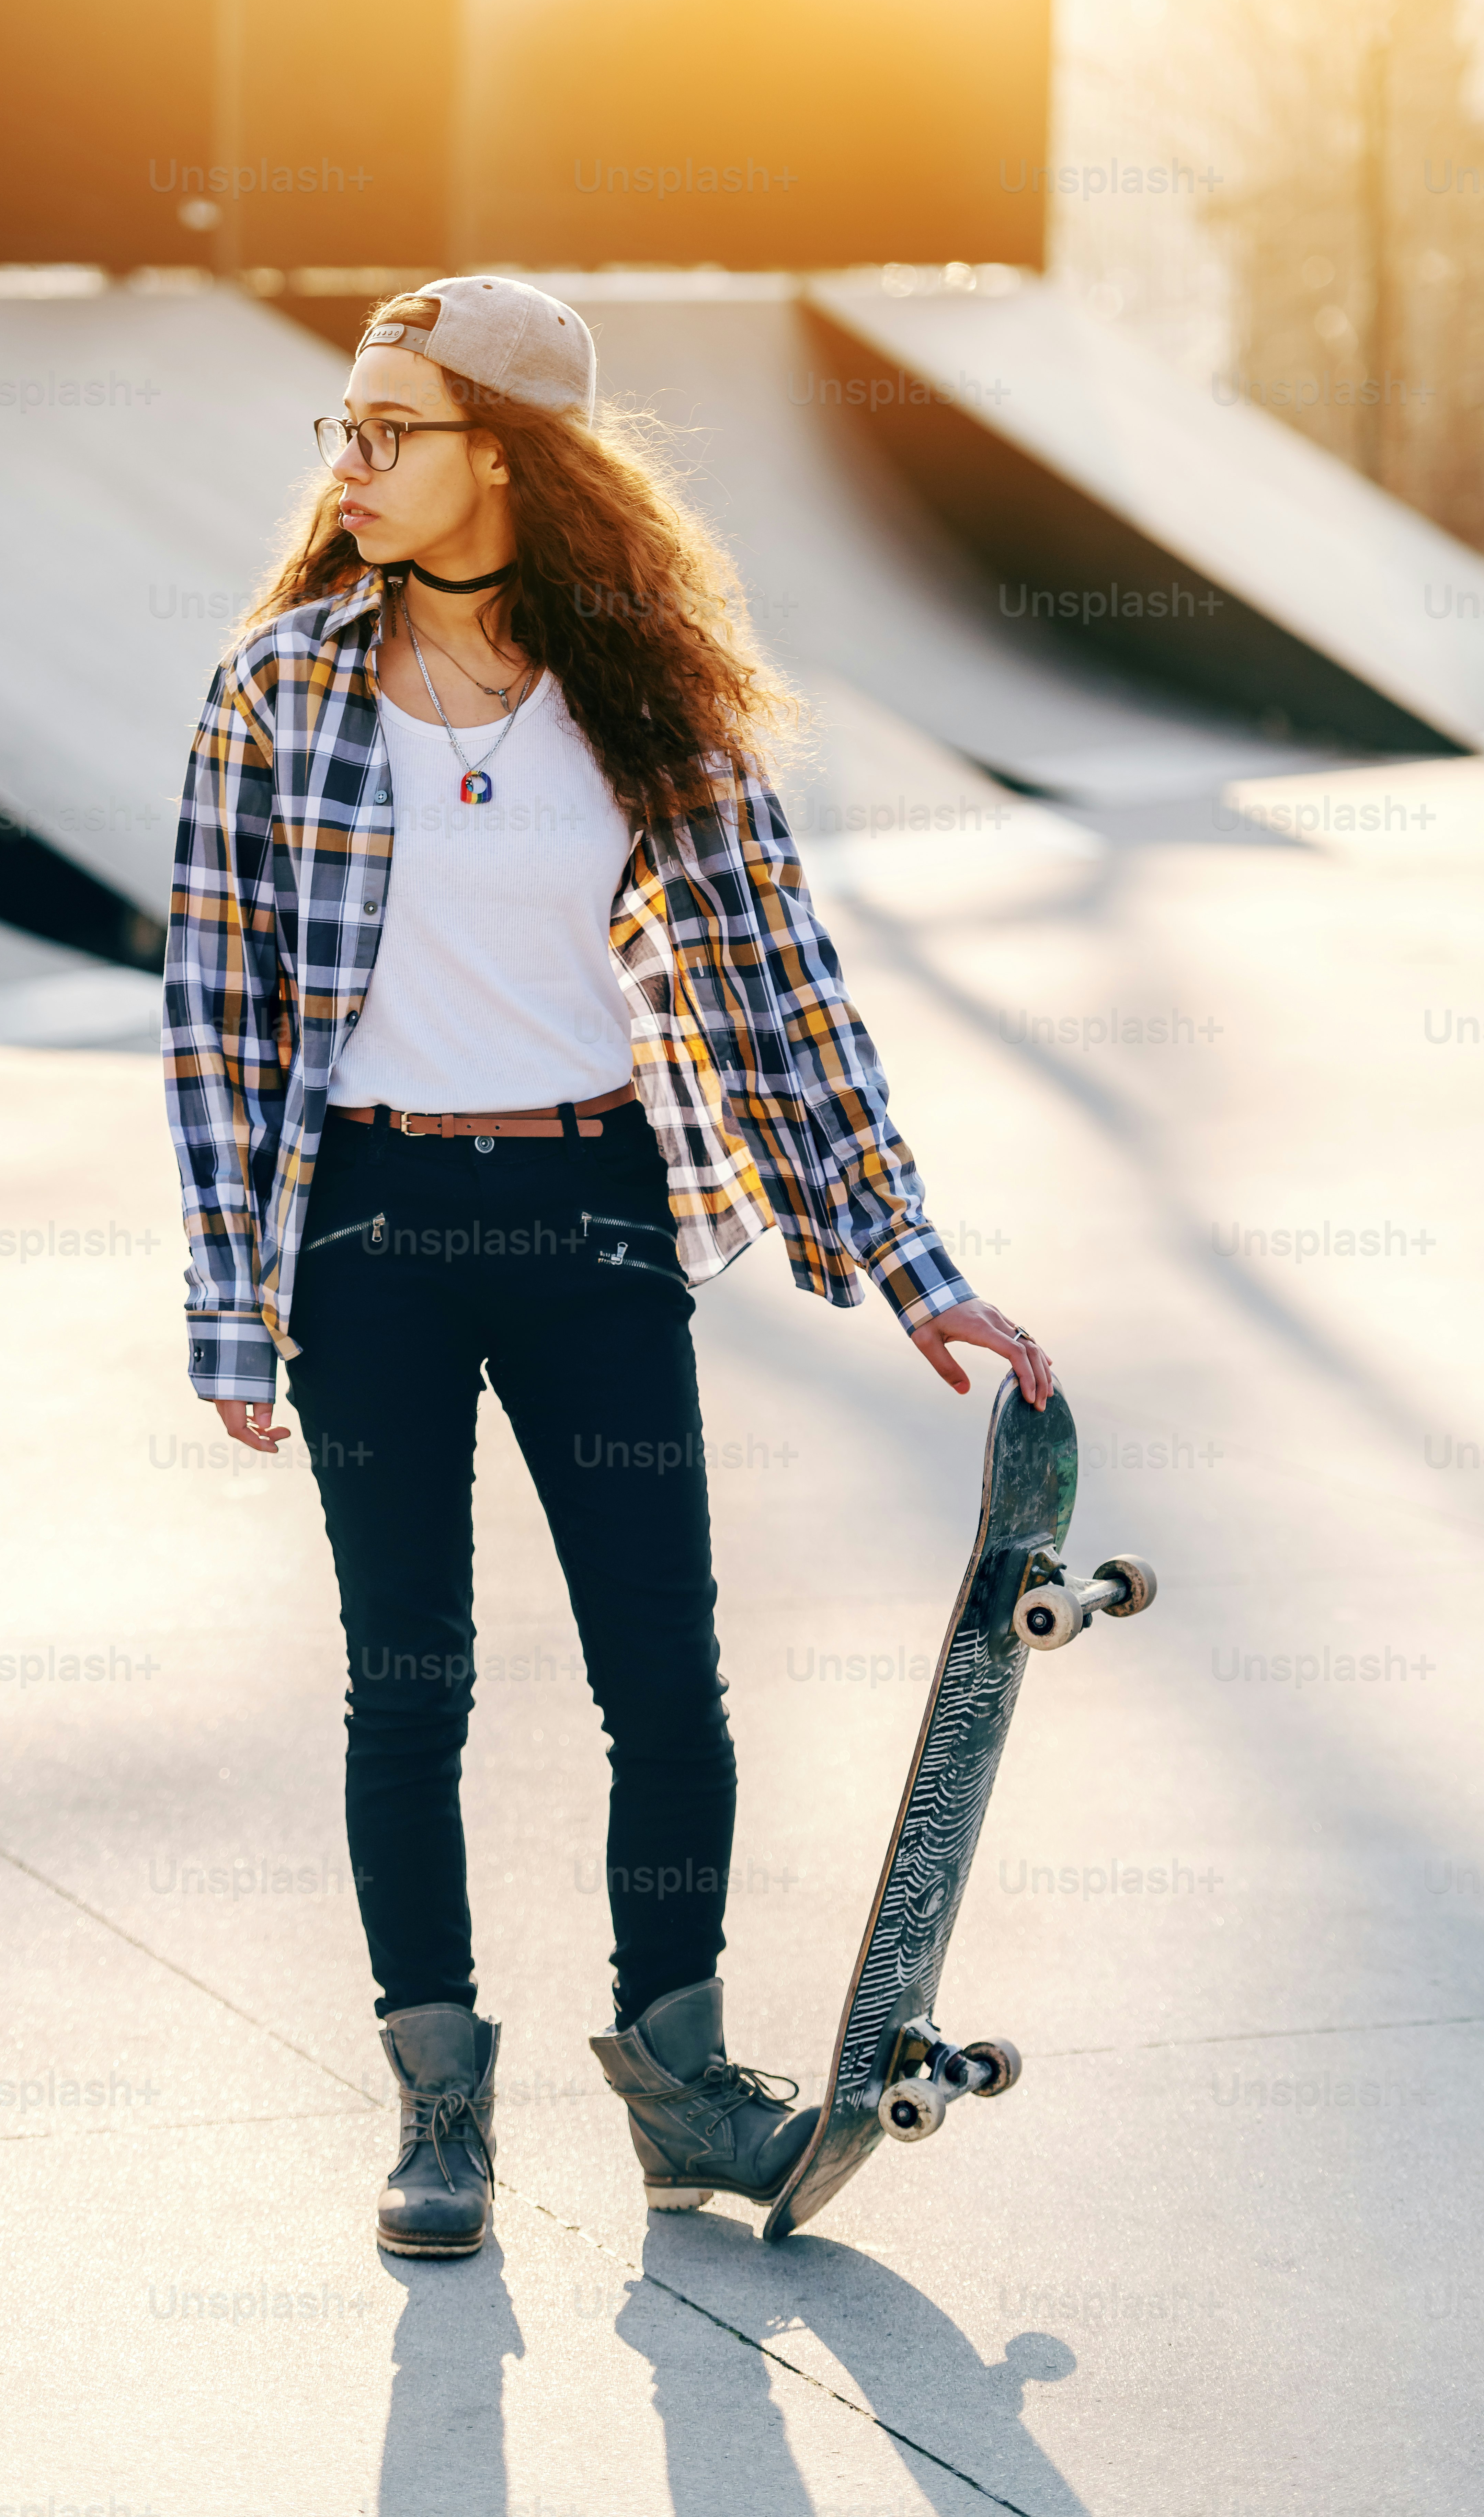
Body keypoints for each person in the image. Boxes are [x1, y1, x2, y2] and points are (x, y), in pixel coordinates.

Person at [162, 275, 1053, 2258]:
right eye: (344, 428)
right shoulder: (281, 687)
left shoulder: (646, 696)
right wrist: (234, 1302)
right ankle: (439, 2107)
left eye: (393, 429)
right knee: (410, 1685)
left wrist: (913, 1262)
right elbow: (217, 1018)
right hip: (375, 1236)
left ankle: (682, 2080)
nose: (350, 462)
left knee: (667, 1676)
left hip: (594, 1224)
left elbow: (785, 993)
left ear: (505, 457)